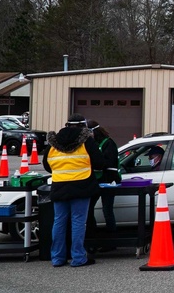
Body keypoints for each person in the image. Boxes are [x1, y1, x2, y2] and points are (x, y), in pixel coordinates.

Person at [44, 113, 106, 267]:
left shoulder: (53, 142)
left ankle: (57, 258)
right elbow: (99, 163)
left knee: (59, 222)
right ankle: (78, 258)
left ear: (67, 124)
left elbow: (47, 165)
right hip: (82, 186)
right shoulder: (86, 141)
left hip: (59, 186)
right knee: (78, 222)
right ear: (82, 125)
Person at [85, 120, 120, 251]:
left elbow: (109, 163)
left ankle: (111, 242)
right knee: (88, 209)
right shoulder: (92, 144)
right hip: (95, 181)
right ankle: (92, 238)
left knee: (107, 210)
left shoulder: (108, 143)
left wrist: (97, 164)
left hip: (108, 181)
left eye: (89, 132)